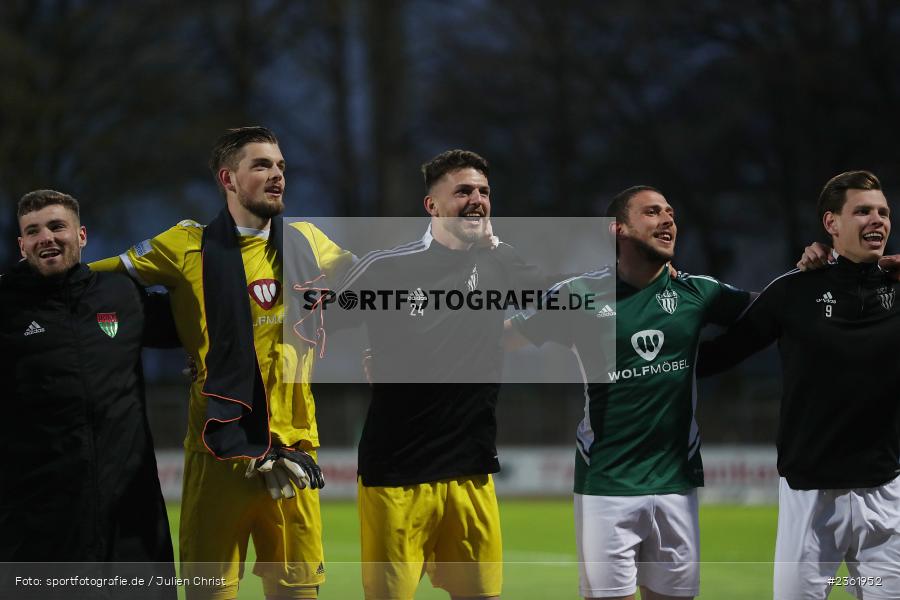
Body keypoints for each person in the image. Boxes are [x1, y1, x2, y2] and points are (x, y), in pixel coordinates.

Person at [90, 126, 354, 600]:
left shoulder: (309, 242)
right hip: (219, 455)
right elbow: (92, 285)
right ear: (227, 178)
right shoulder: (185, 243)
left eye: (280, 167)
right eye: (262, 165)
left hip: (293, 454)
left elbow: (371, 285)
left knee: (299, 593)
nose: (277, 176)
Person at [504, 186, 752, 600]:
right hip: (607, 484)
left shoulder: (697, 292)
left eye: (671, 212)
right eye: (653, 212)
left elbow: (775, 313)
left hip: (677, 483)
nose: (668, 219)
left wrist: (830, 271)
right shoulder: (577, 294)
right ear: (617, 229)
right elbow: (504, 338)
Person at [331, 149, 552, 600]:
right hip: (396, 471)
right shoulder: (386, 266)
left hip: (471, 469)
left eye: (484, 192)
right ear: (432, 206)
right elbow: (317, 321)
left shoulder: (497, 263)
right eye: (464, 191)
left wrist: (501, 251)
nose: (477, 200)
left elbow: (553, 302)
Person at [697, 170, 900, 600]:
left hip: (885, 494)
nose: (878, 220)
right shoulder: (794, 291)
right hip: (811, 496)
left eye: (883, 211)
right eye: (862, 211)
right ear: (831, 223)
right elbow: (718, 356)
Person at [0, 190, 176, 599]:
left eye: (57, 226)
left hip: (131, 515)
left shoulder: (121, 295)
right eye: (33, 231)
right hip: (38, 521)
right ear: (21, 245)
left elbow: (201, 328)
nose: (46, 237)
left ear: (81, 235)